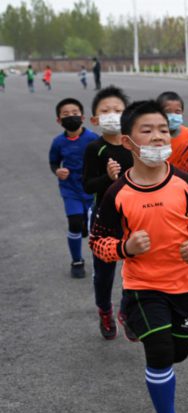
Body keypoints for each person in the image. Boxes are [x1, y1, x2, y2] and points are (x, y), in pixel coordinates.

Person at [89, 100, 188, 413]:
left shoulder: (185, 182)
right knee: (161, 353)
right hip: (143, 285)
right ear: (129, 143)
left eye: (163, 130)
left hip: (184, 284)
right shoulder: (118, 193)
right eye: (147, 131)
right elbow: (98, 243)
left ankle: (132, 320)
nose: (158, 136)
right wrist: (125, 247)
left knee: (180, 351)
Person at [82, 86, 133, 341]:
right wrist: (108, 178)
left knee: (135, 267)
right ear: (95, 119)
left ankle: (127, 310)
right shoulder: (95, 148)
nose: (112, 114)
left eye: (118, 110)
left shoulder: (134, 145)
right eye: (106, 111)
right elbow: (88, 185)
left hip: (134, 217)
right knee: (104, 273)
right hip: (104, 218)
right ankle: (105, 310)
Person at [49, 98, 100, 278]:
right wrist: (58, 171)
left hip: (92, 188)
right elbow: (54, 162)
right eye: (66, 114)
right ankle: (77, 261)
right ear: (59, 120)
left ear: (83, 117)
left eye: (75, 113)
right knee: (74, 223)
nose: (71, 117)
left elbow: (104, 157)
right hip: (70, 189)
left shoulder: (93, 139)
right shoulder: (58, 142)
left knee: (93, 226)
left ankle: (100, 260)